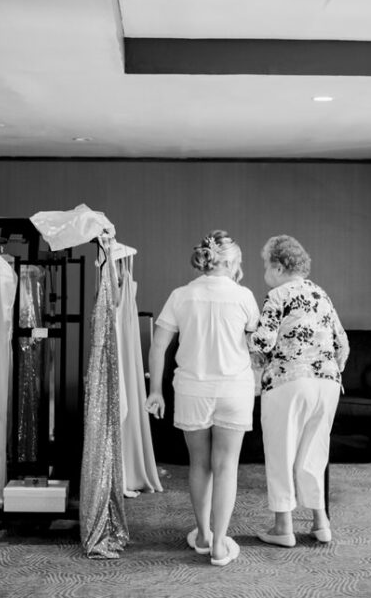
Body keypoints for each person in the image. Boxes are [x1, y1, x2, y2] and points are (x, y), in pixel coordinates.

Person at [145, 230, 259, 567]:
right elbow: (255, 348)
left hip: (192, 390)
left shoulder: (181, 295)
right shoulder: (244, 296)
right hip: (234, 389)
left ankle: (203, 535)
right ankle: (220, 545)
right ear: (232, 262)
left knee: (200, 465)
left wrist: (155, 391)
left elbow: (158, 345)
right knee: (226, 467)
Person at [248, 235, 348, 548]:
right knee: (313, 454)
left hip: (288, 382)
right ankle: (321, 523)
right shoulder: (321, 293)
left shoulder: (278, 294)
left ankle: (283, 528)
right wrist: (330, 369)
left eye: (265, 265)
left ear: (278, 267)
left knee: (281, 453)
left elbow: (262, 343)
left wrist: (247, 339)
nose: (264, 271)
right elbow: (342, 344)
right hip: (327, 384)